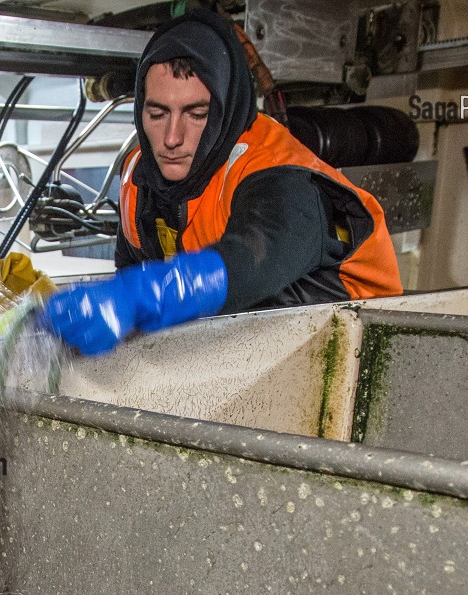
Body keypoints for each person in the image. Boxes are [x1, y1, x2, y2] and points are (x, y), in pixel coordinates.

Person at [43, 6, 401, 355]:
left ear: (224, 110)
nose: (171, 137)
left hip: (359, 351)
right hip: (245, 355)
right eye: (156, 113)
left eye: (196, 114)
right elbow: (133, 270)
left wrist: (137, 298)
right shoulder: (138, 178)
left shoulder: (279, 177)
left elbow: (246, 264)